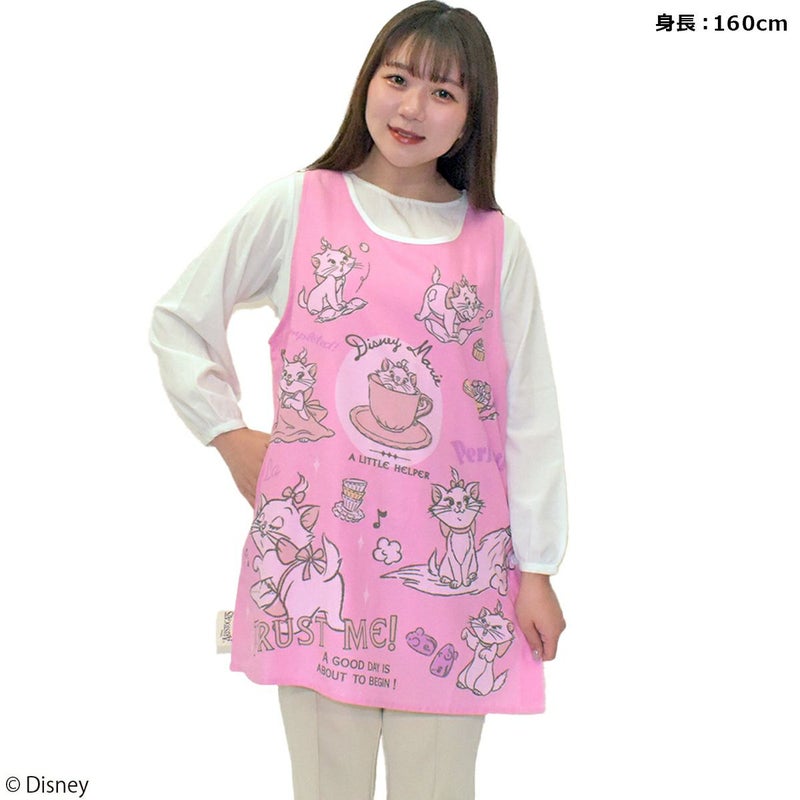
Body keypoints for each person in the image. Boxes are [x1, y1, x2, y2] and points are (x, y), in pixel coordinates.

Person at [151, 2, 568, 798]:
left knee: (437, 787)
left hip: (454, 586)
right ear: (367, 82)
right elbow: (179, 320)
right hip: (320, 563)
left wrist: (539, 567)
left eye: (443, 92)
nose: (413, 108)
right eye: (398, 78)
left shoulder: (496, 242)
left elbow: (530, 414)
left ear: (473, 115)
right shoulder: (298, 205)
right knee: (326, 785)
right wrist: (229, 436)